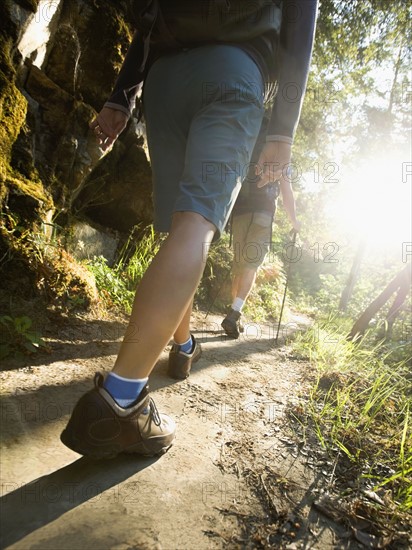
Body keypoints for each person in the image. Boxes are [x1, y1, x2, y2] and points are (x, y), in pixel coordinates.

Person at [61, 0, 318, 459]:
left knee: (174, 231)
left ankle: (183, 343)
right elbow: (299, 28)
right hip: (235, 70)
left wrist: (122, 95)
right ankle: (121, 401)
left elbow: (147, 15)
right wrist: (283, 130)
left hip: (163, 79)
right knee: (194, 225)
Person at [221, 119, 301, 339]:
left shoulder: (246, 145)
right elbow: (287, 193)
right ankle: (235, 312)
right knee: (251, 265)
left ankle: (234, 311)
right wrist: (295, 221)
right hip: (263, 215)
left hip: (239, 213)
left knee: (239, 265)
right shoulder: (278, 153)